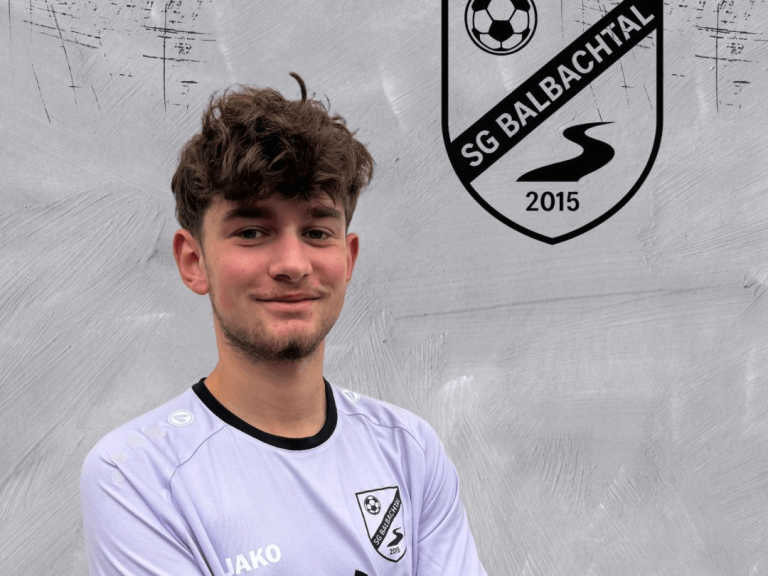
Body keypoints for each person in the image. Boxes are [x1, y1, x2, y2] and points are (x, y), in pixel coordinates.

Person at [80, 73, 488, 576]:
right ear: (193, 261)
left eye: (316, 232)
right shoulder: (136, 474)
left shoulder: (411, 449)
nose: (293, 264)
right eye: (252, 232)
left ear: (347, 258)